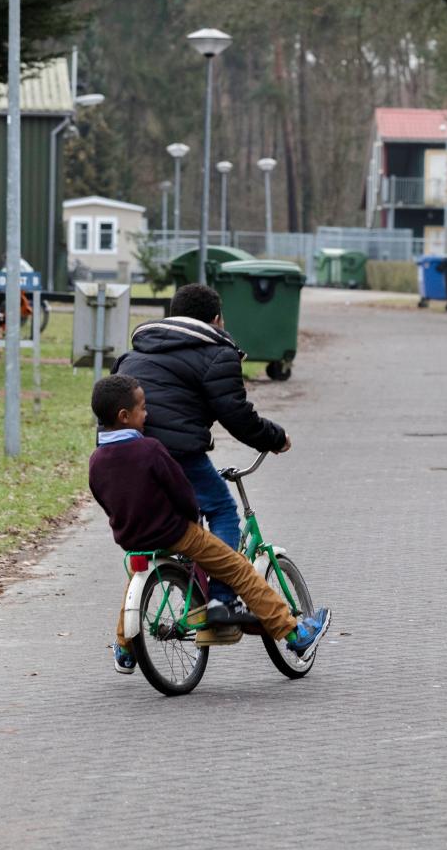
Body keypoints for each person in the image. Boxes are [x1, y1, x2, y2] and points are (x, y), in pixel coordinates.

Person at [87, 375, 330, 674]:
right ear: (124, 416)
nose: (147, 414)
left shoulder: (96, 460)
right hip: (176, 532)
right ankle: (295, 634)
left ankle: (125, 650)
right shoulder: (150, 449)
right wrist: (193, 516)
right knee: (238, 568)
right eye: (142, 408)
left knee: (133, 585)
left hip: (134, 537)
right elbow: (181, 491)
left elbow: (102, 497)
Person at [114, 283, 289, 643]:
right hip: (178, 455)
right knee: (223, 511)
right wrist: (275, 438)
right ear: (215, 319)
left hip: (130, 457)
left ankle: (127, 647)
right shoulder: (216, 353)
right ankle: (221, 603)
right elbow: (236, 415)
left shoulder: (136, 352)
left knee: (171, 533)